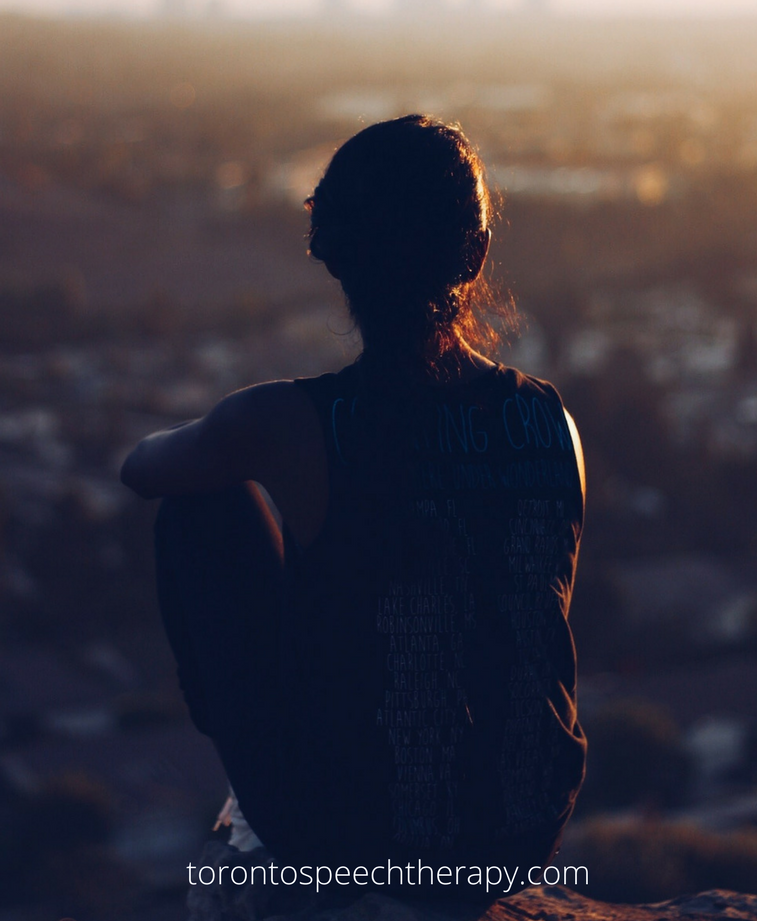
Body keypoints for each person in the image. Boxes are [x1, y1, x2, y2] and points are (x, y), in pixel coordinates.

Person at [121, 115, 586, 904]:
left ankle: (265, 802)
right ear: (473, 255)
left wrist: (241, 438)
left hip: (349, 833)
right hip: (519, 834)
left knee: (199, 508)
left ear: (332, 254)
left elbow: (142, 469)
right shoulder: (551, 421)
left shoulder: (287, 423)